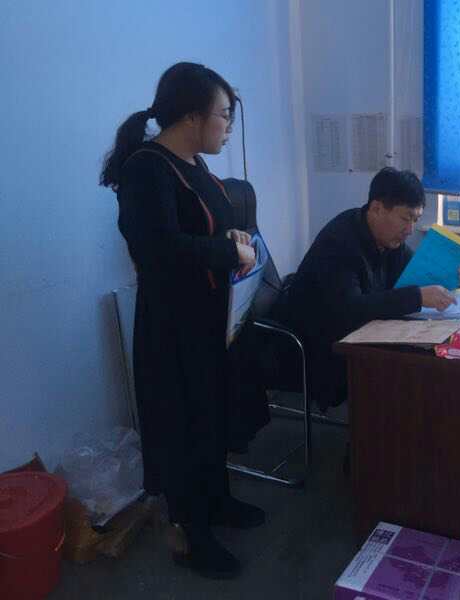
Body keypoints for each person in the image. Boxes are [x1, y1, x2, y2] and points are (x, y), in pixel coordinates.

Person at [100, 62, 263, 579]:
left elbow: (208, 231)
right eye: (224, 115)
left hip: (211, 317)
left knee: (212, 416)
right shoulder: (147, 169)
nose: (228, 127)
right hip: (174, 325)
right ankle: (192, 534)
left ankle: (218, 502)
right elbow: (159, 249)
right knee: (184, 427)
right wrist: (227, 251)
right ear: (193, 117)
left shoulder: (194, 165)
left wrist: (233, 240)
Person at [271, 167, 460, 412]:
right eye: (405, 218)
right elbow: (350, 309)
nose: (410, 229)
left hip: (356, 335)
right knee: (408, 369)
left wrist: (452, 277)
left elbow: (416, 274)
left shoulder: (387, 237)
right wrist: (418, 296)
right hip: (315, 348)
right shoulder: (339, 243)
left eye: (415, 220)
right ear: (377, 208)